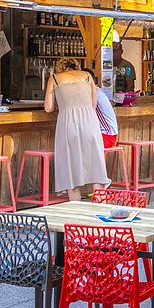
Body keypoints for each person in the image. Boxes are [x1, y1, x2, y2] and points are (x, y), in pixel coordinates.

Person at [45, 58, 110, 202]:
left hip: (68, 124)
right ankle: (102, 205)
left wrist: (60, 104)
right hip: (90, 122)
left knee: (70, 165)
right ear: (76, 66)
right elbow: (93, 104)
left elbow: (48, 108)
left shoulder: (55, 78)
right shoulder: (87, 76)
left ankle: (76, 207)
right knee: (96, 164)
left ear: (60, 68)